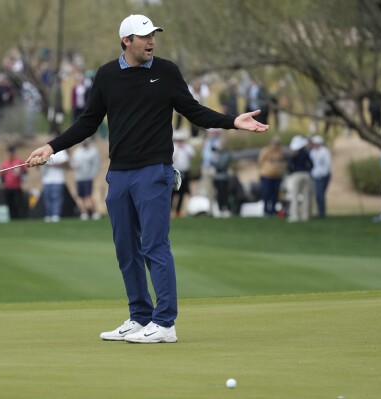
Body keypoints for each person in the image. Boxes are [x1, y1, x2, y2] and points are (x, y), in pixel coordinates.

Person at [25, 14, 269, 344]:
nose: (151, 41)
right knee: (126, 249)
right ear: (126, 41)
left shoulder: (166, 72)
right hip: (119, 174)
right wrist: (51, 147)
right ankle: (140, 317)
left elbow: (193, 111)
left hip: (154, 171)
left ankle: (165, 323)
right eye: (144, 36)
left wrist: (232, 121)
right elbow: (87, 123)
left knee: (154, 245)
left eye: (153, 35)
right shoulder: (107, 75)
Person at [70, 138, 101, 220]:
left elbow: (96, 164)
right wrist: (74, 167)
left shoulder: (93, 151)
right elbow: (73, 163)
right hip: (79, 177)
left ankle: (95, 212)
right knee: (81, 196)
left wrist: (92, 175)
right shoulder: (77, 151)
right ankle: (84, 213)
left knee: (88, 195)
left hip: (88, 177)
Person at [286, 135, 313, 222]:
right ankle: (305, 216)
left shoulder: (294, 154)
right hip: (306, 175)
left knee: (295, 196)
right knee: (306, 196)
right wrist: (308, 170)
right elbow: (311, 164)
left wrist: (291, 172)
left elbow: (289, 166)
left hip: (296, 175)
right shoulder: (305, 153)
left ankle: (295, 216)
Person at [257, 135, 286, 217]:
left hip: (277, 176)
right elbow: (260, 161)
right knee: (266, 193)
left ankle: (273, 210)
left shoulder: (281, 152)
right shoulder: (266, 151)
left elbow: (284, 162)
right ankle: (266, 210)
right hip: (267, 176)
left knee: (275, 194)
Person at [40, 149, 69, 223]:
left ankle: (56, 215)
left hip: (58, 180)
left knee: (57, 198)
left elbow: (65, 161)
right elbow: (41, 163)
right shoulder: (45, 152)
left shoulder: (61, 152)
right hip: (47, 180)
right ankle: (48, 215)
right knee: (47, 199)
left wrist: (53, 165)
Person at [171, 129, 195, 217]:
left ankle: (178, 212)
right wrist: (177, 148)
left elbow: (192, 154)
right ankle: (170, 211)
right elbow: (173, 158)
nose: (180, 141)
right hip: (175, 172)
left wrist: (184, 147)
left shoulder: (186, 147)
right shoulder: (174, 147)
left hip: (185, 172)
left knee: (182, 192)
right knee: (172, 193)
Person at [0, 145, 28, 220]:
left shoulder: (18, 161)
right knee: (10, 205)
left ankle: (19, 219)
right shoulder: (5, 163)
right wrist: (2, 183)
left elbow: (25, 172)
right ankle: (12, 219)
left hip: (17, 187)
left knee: (18, 205)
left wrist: (20, 173)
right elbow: (2, 175)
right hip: (8, 187)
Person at [309, 135, 332, 218]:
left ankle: (321, 212)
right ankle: (320, 211)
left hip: (323, 175)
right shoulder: (313, 151)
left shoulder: (324, 151)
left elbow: (327, 164)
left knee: (320, 194)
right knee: (318, 194)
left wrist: (323, 174)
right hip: (315, 175)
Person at [210, 139, 233, 218]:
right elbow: (211, 161)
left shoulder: (226, 154)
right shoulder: (218, 154)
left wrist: (216, 158)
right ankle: (219, 209)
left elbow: (221, 165)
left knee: (224, 194)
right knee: (218, 194)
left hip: (223, 177)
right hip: (217, 177)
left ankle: (224, 208)